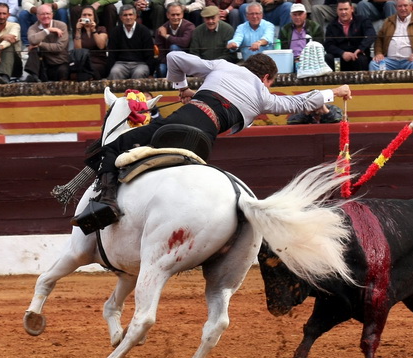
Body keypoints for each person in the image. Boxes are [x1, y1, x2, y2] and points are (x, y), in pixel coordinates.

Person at [71, 51, 352, 230]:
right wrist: (335, 91)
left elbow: (174, 58)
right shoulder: (264, 96)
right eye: (272, 83)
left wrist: (182, 89)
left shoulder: (222, 66)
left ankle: (106, 200)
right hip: (203, 142)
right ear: (267, 77)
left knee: (115, 145)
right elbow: (301, 102)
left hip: (175, 124)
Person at [369, 0, 413, 70]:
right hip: (389, 61)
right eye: (400, 6)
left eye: (405, 5)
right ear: (396, 8)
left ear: (411, 7)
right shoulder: (389, 21)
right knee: (374, 64)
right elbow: (379, 39)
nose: (403, 8)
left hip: (410, 61)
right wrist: (378, 53)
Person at [324, 0, 376, 71]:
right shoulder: (331, 26)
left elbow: (371, 35)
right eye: (340, 9)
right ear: (337, 11)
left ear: (352, 9)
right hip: (340, 58)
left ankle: (361, 82)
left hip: (358, 56)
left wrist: (361, 49)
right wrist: (342, 53)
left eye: (346, 9)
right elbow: (328, 45)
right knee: (328, 58)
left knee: (361, 59)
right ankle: (334, 81)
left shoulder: (362, 20)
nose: (343, 12)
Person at [107, 4, 155, 79]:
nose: (128, 17)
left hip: (140, 64)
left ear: (135, 16)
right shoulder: (115, 31)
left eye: (130, 14)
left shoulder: (144, 30)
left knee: (139, 73)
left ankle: (136, 91)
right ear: (120, 17)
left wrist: (151, 73)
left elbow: (149, 53)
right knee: (115, 72)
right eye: (125, 15)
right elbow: (112, 54)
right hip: (121, 64)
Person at [23, 3, 69, 81]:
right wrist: (48, 30)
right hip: (43, 63)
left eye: (48, 14)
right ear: (37, 16)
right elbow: (32, 40)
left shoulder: (61, 25)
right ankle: (33, 76)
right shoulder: (33, 27)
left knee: (63, 72)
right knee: (34, 50)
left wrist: (40, 44)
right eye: (42, 14)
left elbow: (59, 47)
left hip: (59, 61)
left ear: (52, 15)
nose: (45, 16)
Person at [155, 2, 195, 76]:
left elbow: (185, 42)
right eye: (173, 15)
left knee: (174, 47)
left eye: (178, 14)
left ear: (182, 14)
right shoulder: (162, 29)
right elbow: (160, 51)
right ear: (167, 15)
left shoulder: (189, 26)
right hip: (167, 61)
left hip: (185, 61)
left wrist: (167, 36)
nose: (175, 17)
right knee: (161, 69)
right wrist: (168, 62)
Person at [71, 5, 108, 80]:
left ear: (94, 17)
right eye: (84, 15)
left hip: (98, 62)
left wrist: (93, 30)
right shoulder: (78, 31)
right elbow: (78, 50)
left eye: (89, 15)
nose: (86, 17)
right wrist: (78, 30)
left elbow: (101, 45)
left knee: (89, 71)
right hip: (83, 62)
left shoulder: (101, 29)